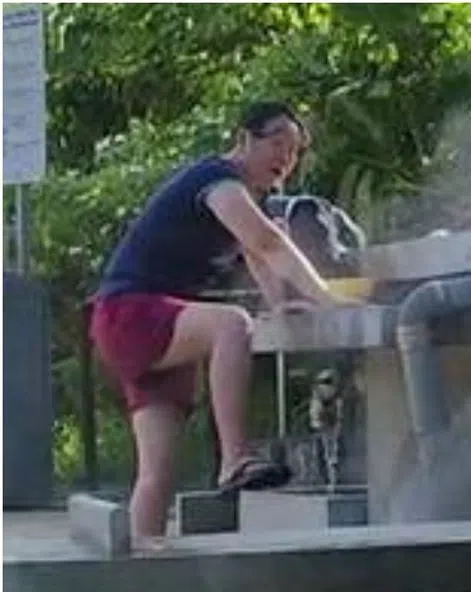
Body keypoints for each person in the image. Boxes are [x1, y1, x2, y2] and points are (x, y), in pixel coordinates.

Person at [89, 101, 360, 550]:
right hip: (130, 313)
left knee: (158, 472)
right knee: (232, 324)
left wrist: (281, 304)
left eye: (294, 151)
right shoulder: (216, 180)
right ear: (244, 140)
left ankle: (141, 571)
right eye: (276, 143)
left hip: (152, 324)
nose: (285, 158)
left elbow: (257, 253)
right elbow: (267, 242)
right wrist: (328, 299)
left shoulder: (249, 200)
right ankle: (235, 458)